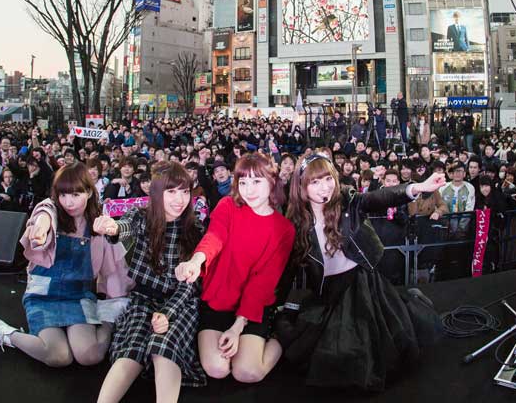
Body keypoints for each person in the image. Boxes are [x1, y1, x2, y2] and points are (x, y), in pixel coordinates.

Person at [277, 154, 443, 391]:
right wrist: (276, 303)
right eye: (315, 182)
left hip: (362, 281)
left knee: (370, 342)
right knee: (327, 347)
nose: (324, 187)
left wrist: (417, 188)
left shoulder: (346, 200)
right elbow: (289, 268)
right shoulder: (297, 222)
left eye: (327, 179)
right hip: (328, 292)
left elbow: (377, 198)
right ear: (302, 186)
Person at [0, 163, 132, 366]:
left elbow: (113, 265)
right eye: (63, 195)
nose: (68, 202)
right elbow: (44, 213)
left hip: (77, 297)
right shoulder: (51, 210)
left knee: (91, 355)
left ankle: (108, 318)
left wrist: (114, 303)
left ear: (89, 192)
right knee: (58, 356)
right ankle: (1, 331)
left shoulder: (97, 223)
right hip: (43, 296)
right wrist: (41, 228)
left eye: (75, 194)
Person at [175, 154, 295, 383]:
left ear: (272, 181)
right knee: (217, 369)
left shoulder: (284, 229)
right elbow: (214, 237)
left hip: (253, 306)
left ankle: (280, 338)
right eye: (243, 182)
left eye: (257, 181)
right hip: (219, 297)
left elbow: (264, 281)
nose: (249, 190)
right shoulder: (227, 205)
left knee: (248, 372)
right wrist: (196, 261)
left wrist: (238, 327)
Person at [94, 162, 206, 402]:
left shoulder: (194, 229)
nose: (180, 199)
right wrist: (112, 228)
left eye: (185, 191)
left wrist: (167, 313)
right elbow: (124, 226)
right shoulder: (141, 216)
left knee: (163, 349)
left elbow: (190, 285)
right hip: (143, 298)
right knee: (131, 351)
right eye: (172, 191)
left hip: (180, 304)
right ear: (156, 192)